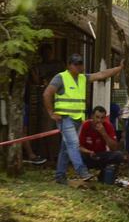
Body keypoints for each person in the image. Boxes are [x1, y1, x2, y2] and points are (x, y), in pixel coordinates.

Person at [43, 53, 123, 184]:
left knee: (65, 147)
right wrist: (51, 113)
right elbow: (47, 93)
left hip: (77, 118)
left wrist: (119, 68)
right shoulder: (61, 77)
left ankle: (60, 176)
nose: (79, 66)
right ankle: (82, 171)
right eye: (76, 64)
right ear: (69, 65)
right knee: (73, 144)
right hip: (65, 118)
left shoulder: (83, 78)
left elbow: (102, 74)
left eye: (80, 63)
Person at [78, 106, 125, 184]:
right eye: (97, 117)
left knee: (118, 155)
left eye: (102, 118)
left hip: (100, 155)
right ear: (92, 116)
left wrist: (104, 133)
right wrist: (89, 152)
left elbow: (114, 148)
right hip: (87, 155)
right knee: (76, 154)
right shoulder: (86, 125)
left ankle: (104, 177)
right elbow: (79, 146)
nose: (99, 120)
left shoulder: (107, 126)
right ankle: (84, 174)